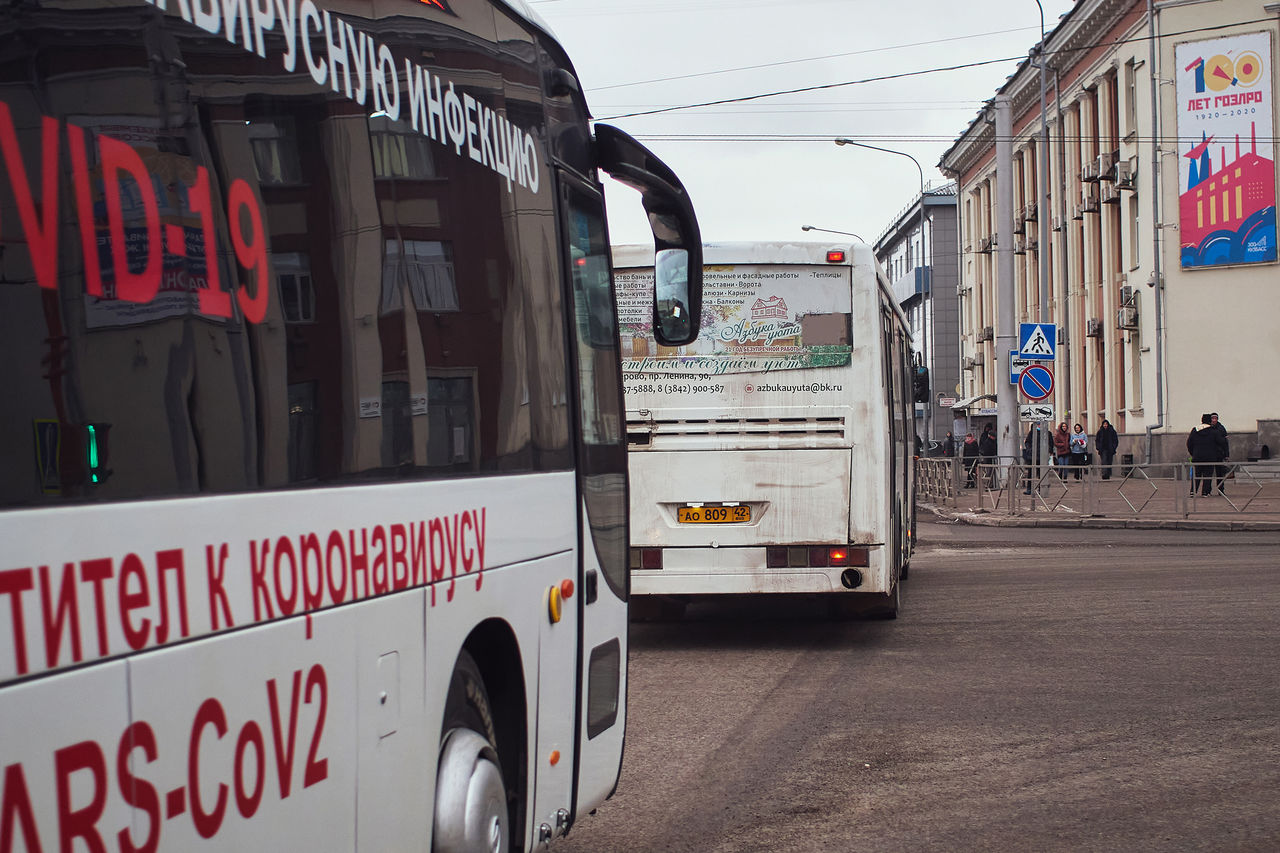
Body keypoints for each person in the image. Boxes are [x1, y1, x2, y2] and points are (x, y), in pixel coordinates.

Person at [1187, 413, 1229, 497]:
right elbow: (1221, 441)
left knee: (1197, 475)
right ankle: (1205, 492)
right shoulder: (1213, 431)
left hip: (1197, 456)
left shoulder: (1195, 430)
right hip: (1210, 457)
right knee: (1207, 475)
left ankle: (1193, 491)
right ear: (1209, 421)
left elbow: (1189, 443)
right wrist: (1225, 439)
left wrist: (1193, 453)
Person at [1209, 412, 1230, 492]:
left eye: (1215, 418)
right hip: (1210, 454)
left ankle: (1221, 489)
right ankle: (1207, 490)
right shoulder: (1208, 428)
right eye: (1212, 418)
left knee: (1220, 473)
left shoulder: (1221, 428)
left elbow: (1225, 442)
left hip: (1219, 454)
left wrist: (1226, 454)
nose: (1214, 420)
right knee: (1209, 473)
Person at [1022, 423, 1043, 494]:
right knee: (1030, 473)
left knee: (1041, 474)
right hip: (1032, 456)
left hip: (1041, 456)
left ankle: (1041, 489)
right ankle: (1029, 489)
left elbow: (1050, 443)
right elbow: (1027, 442)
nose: (1039, 426)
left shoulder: (1045, 433)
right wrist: (1029, 449)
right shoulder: (1031, 433)